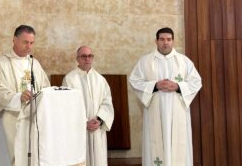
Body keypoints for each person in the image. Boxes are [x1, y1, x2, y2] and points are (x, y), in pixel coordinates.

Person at [129, 27, 202, 166]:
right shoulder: (145, 61)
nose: (165, 42)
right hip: (155, 111)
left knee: (178, 144)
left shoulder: (184, 61)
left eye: (168, 39)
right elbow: (134, 81)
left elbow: (196, 82)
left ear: (173, 41)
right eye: (162, 39)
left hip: (178, 110)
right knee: (156, 144)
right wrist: (155, 85)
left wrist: (178, 86)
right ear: (156, 41)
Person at [0, 25, 51, 166]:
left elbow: (45, 87)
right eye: (25, 42)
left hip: (32, 118)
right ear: (14, 40)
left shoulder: (34, 63)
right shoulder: (1, 63)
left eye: (32, 43)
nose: (29, 47)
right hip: (9, 119)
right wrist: (18, 97)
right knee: (11, 157)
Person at [62, 45, 114, 166]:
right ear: (77, 59)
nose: (87, 59)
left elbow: (107, 103)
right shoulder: (69, 79)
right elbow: (67, 106)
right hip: (79, 130)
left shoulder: (100, 80)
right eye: (83, 56)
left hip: (97, 129)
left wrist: (99, 120)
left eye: (90, 56)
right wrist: (83, 123)